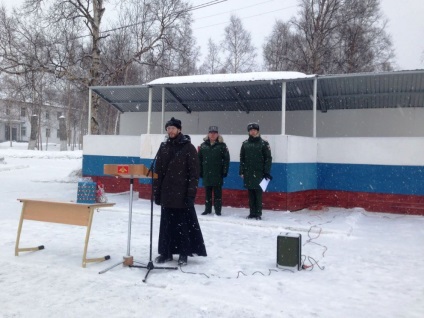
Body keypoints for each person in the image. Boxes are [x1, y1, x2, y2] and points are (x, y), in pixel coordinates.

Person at [153, 117, 207, 265]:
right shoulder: (163, 147)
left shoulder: (188, 148)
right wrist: (157, 193)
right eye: (168, 128)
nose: (170, 131)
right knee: (166, 225)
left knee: (182, 225)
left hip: (181, 194)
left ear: (179, 130)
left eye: (173, 128)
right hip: (166, 194)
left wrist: (191, 194)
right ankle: (166, 253)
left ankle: (184, 253)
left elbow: (194, 174)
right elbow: (158, 172)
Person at [239, 122, 272, 220]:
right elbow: (242, 158)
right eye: (251, 130)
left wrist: (266, 171)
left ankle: (258, 213)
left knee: (258, 194)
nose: (253, 132)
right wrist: (241, 171)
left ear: (257, 131)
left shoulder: (264, 143)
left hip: (259, 173)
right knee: (250, 194)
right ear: (249, 132)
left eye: (254, 130)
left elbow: (268, 159)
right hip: (248, 173)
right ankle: (252, 213)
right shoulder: (245, 144)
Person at [198, 126, 230, 216]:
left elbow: (226, 160)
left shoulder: (222, 146)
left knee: (217, 194)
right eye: (211, 133)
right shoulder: (203, 145)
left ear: (217, 134)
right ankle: (207, 210)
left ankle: (218, 211)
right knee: (207, 194)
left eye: (214, 133)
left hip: (217, 174)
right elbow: (199, 160)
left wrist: (225, 171)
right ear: (208, 134)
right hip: (206, 173)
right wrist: (200, 171)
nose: (212, 135)